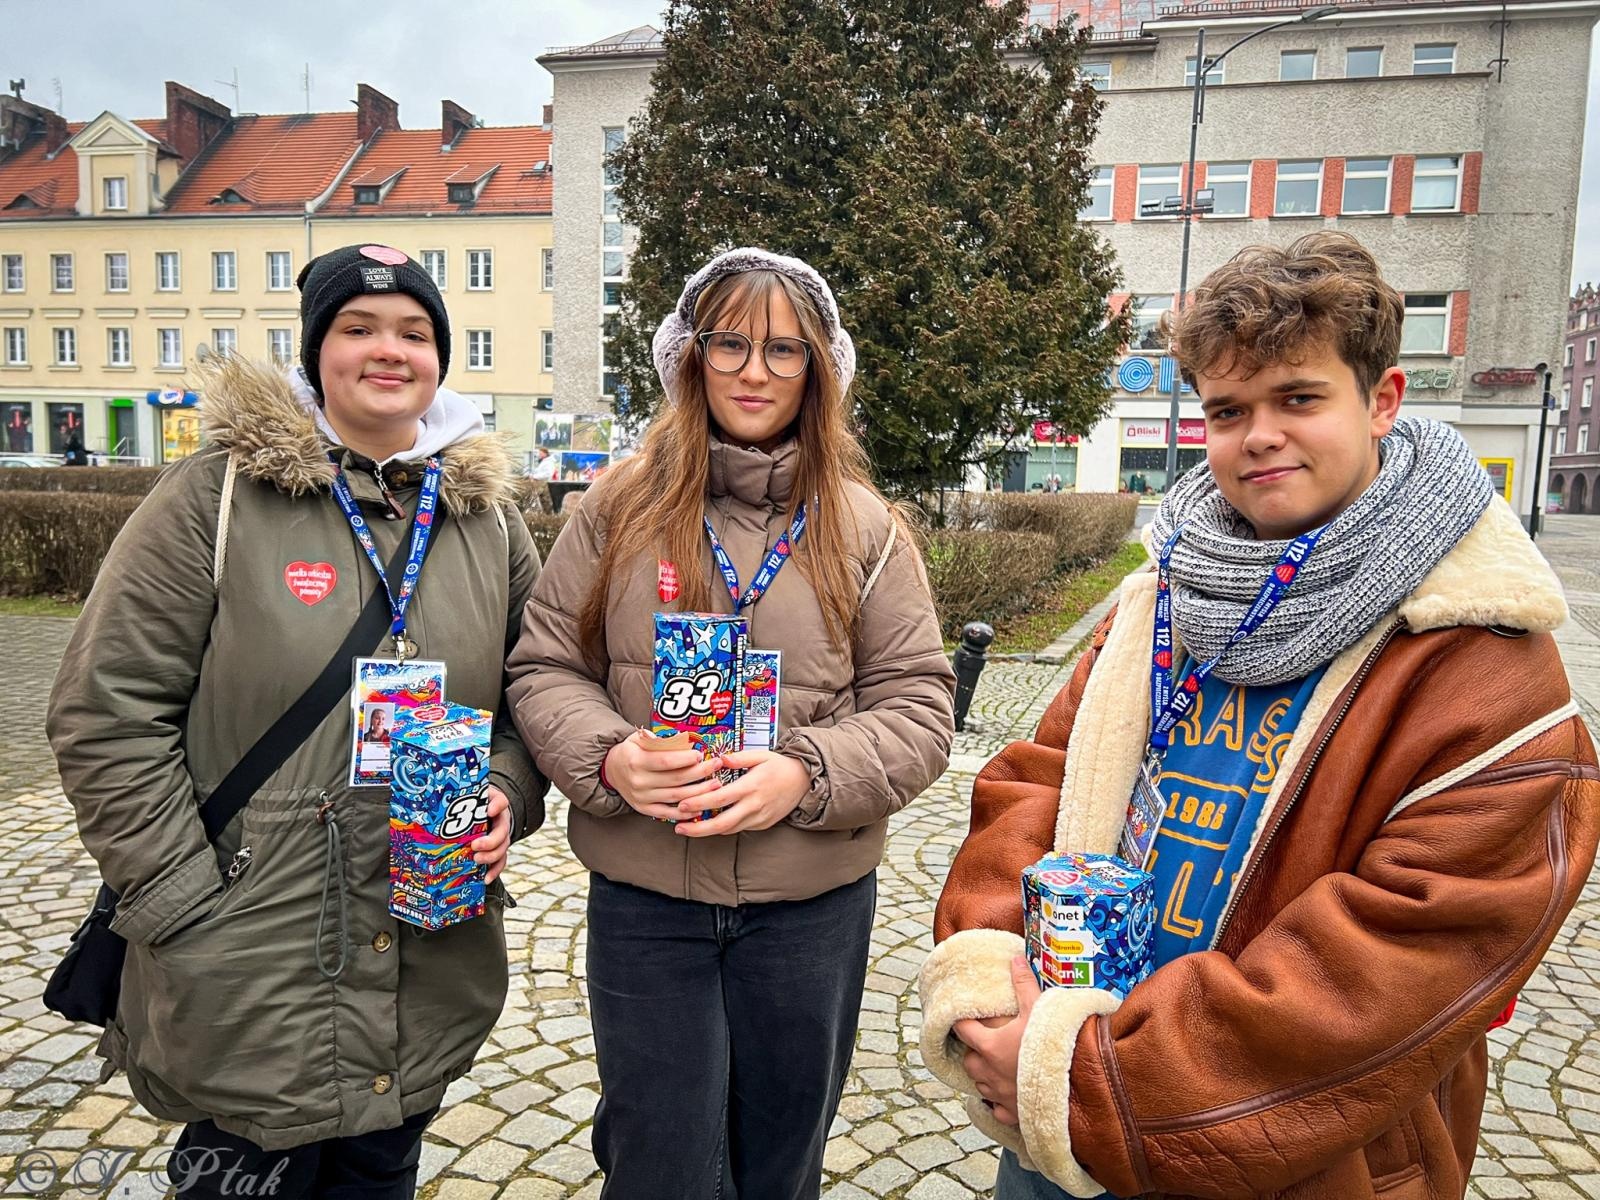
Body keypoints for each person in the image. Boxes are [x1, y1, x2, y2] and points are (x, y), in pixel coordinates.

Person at [918, 232, 1600, 1200]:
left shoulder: (1481, 661)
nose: (1259, 435)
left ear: (1383, 401)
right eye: (1228, 410)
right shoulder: (1164, 594)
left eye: (1299, 398)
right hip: (1058, 1115)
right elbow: (1036, 780)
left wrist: (1096, 1075)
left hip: (1290, 1159)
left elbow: (1389, 969)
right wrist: (995, 985)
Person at [47, 243, 547, 1200]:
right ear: (316, 350)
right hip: (250, 950)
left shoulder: (483, 517)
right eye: (357, 329)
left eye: (414, 331)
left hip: (426, 940)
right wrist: (183, 903)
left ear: (442, 355)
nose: (387, 351)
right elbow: (103, 710)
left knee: (381, 1168)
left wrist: (507, 789)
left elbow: (533, 689)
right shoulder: (217, 497)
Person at [507, 247, 956, 1200]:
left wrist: (808, 773)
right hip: (646, 903)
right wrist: (608, 755)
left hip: (810, 912)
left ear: (819, 369)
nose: (756, 371)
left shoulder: (864, 527)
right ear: (690, 356)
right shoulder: (616, 509)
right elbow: (545, 665)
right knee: (656, 1160)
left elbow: (920, 710)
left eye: (785, 351)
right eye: (732, 343)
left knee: (779, 1163)